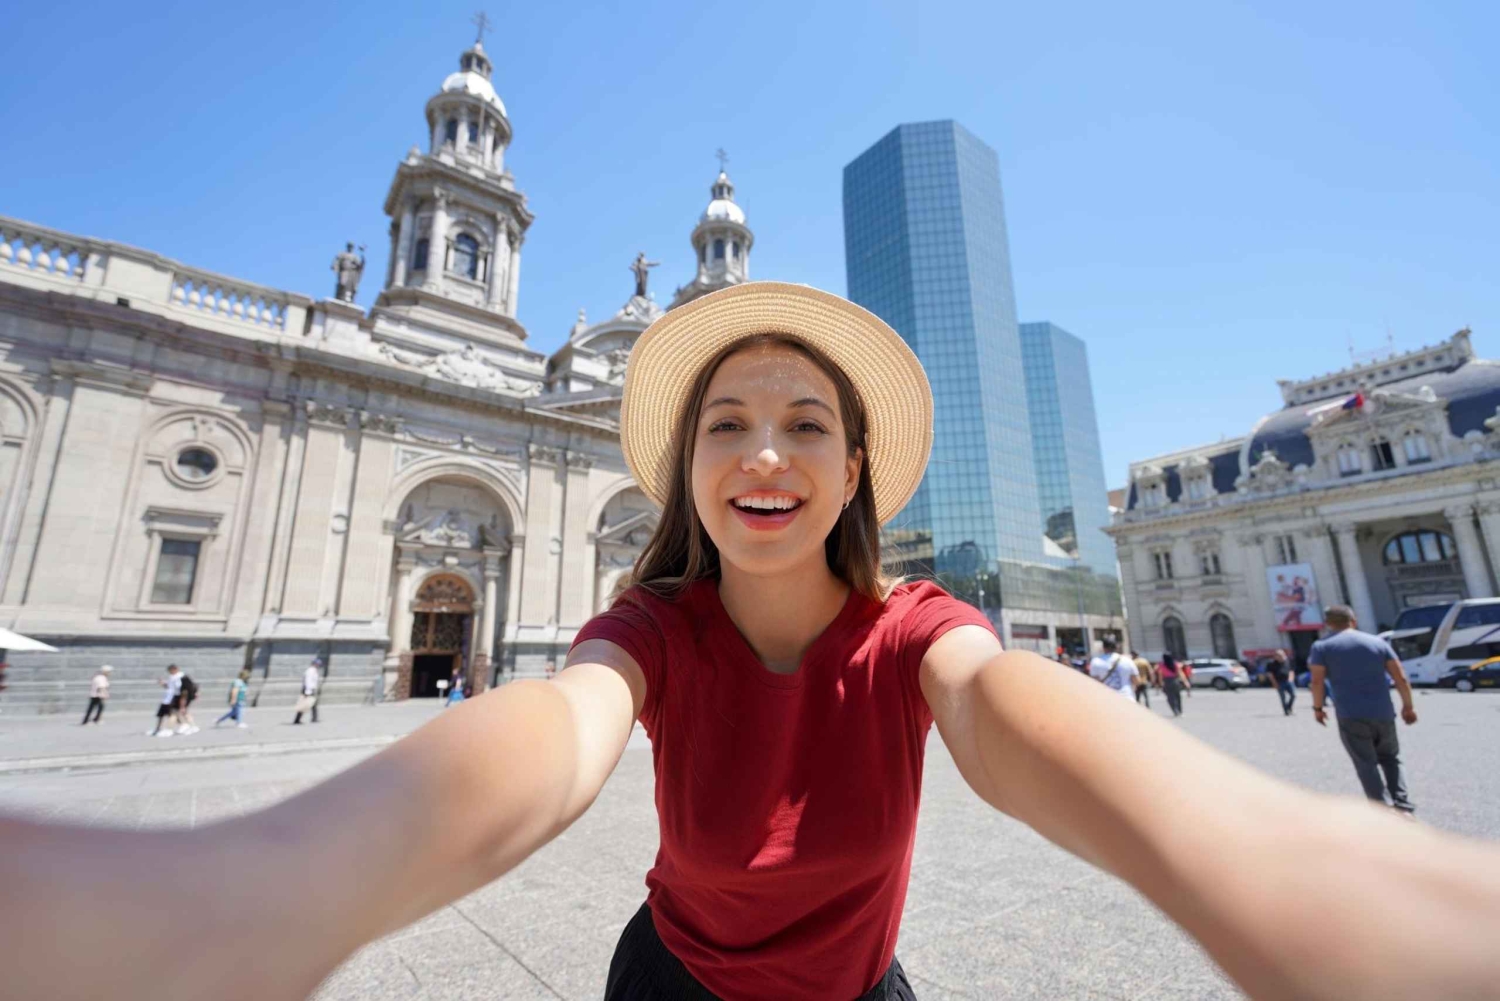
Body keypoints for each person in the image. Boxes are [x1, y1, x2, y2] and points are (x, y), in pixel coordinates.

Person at [5, 283, 1500, 1001]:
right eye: (726, 423)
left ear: (854, 471)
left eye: (805, 424)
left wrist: (1263, 857)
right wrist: (272, 878)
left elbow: (1009, 714)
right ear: (688, 471)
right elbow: (553, 738)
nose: (764, 452)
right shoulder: (648, 631)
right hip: (666, 994)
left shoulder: (916, 631)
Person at [1308, 605, 1418, 814]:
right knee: (1391, 758)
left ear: (1328, 624)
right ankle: (1402, 804)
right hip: (1383, 712)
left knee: (1365, 763)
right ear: (1353, 620)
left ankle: (1382, 808)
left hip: (1350, 714)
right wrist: (1408, 707)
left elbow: (1316, 681)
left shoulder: (1321, 647)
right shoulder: (1377, 643)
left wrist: (1318, 708)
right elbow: (1401, 678)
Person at [148, 664, 182, 737]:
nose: (169, 672)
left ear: (174, 669)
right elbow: (168, 687)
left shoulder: (178, 677)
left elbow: (178, 688)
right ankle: (158, 729)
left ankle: (182, 726)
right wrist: (162, 683)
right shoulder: (172, 677)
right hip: (166, 699)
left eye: (170, 671)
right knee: (161, 715)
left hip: (172, 699)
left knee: (172, 715)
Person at [293, 657, 322, 724]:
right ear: (315, 664)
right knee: (303, 705)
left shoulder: (314, 671)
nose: (319, 666)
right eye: (318, 664)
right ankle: (297, 720)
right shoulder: (310, 671)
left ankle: (314, 718)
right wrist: (308, 692)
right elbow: (308, 681)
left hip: (310, 690)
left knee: (313, 704)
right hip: (308, 690)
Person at [1269, 648, 1296, 715]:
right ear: (1276, 657)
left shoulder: (1288, 661)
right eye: (1279, 655)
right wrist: (1274, 683)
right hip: (1279, 682)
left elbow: (1291, 671)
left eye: (1282, 655)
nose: (1281, 656)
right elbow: (1270, 675)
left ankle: (1289, 707)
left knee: (1293, 695)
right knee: (1283, 697)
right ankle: (1286, 711)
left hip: (1288, 681)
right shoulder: (1272, 664)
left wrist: (1291, 679)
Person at [1159, 652, 1186, 716]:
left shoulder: (1161, 665)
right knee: (1177, 696)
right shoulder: (1175, 664)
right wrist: (1185, 681)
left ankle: (1175, 710)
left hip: (1167, 681)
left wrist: (1161, 683)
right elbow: (1180, 673)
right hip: (1175, 680)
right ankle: (1180, 710)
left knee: (1170, 697)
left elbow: (1160, 675)